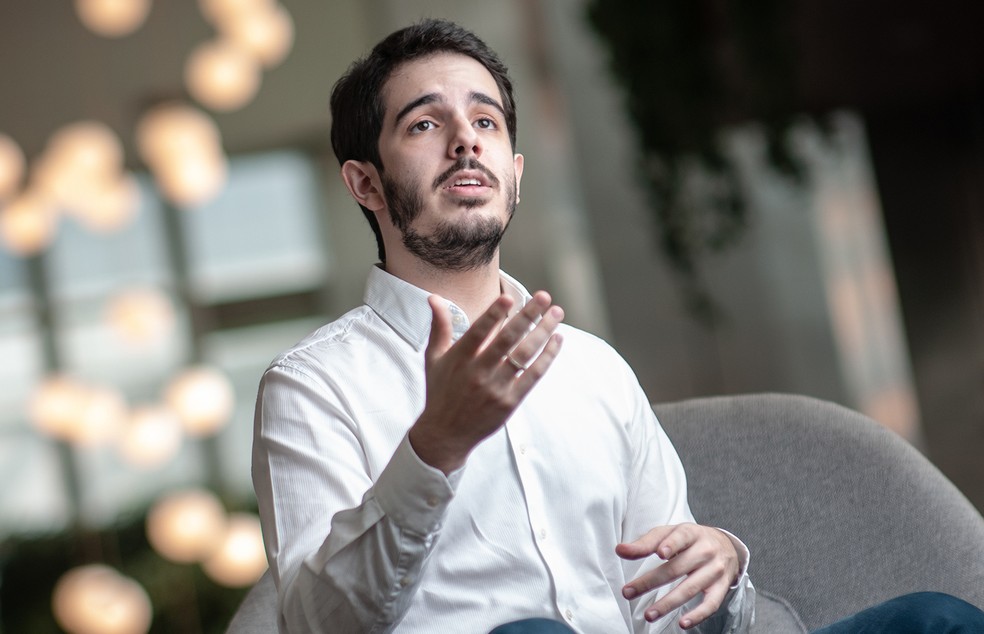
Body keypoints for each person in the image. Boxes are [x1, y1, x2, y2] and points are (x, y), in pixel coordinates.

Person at [252, 18, 984, 634]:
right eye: (424, 124)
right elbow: (317, 621)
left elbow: (666, 600)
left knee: (933, 619)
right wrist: (434, 446)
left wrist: (719, 579)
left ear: (514, 170)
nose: (464, 141)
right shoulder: (313, 387)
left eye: (484, 120)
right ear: (365, 183)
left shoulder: (590, 366)